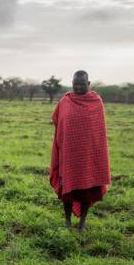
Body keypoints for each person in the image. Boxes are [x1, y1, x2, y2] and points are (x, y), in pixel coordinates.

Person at [50, 70, 111, 231]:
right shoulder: (65, 101)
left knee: (87, 192)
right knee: (67, 192)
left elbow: (98, 132)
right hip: (68, 155)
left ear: (88, 84)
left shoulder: (96, 102)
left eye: (81, 84)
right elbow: (57, 120)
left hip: (89, 156)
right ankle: (67, 222)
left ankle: (82, 223)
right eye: (75, 84)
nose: (77, 87)